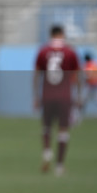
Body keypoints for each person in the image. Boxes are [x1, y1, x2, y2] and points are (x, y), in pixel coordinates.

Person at [33, 24, 80, 176]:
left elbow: (36, 75)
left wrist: (36, 96)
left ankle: (47, 151)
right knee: (63, 130)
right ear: (62, 34)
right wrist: (79, 96)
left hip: (47, 95)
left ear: (51, 34)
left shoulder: (43, 51)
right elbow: (76, 76)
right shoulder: (70, 52)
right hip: (64, 96)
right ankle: (59, 166)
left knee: (46, 127)